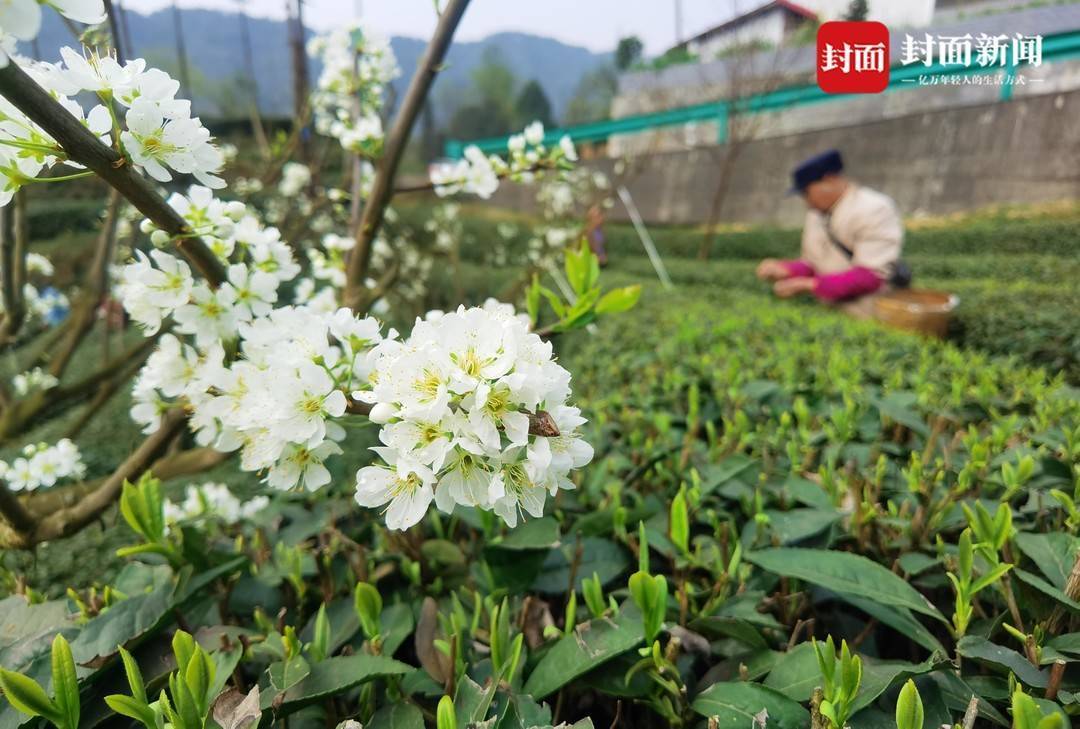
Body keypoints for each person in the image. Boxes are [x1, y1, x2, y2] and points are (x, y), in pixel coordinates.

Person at [756, 149, 904, 319]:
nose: (806, 202)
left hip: (867, 315)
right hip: (831, 313)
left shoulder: (874, 208)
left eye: (806, 193)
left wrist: (809, 285)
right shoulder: (817, 213)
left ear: (829, 180)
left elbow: (870, 277)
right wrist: (786, 270)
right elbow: (814, 264)